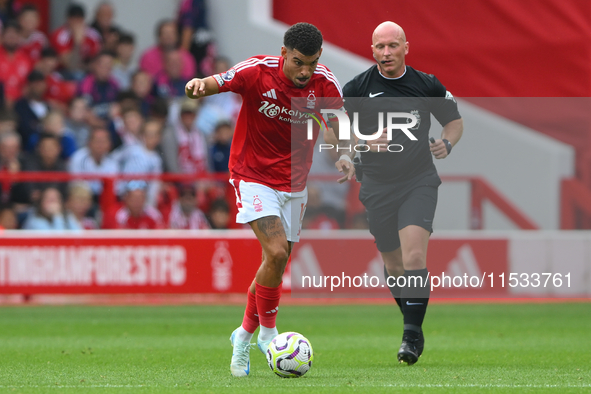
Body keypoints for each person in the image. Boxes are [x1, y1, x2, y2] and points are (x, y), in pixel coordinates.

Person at [185, 22, 346, 377]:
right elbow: (219, 81)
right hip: (252, 176)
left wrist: (346, 154)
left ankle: (243, 335)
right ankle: (269, 334)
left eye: (313, 63)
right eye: (299, 62)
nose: (306, 71)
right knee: (275, 253)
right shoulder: (258, 71)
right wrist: (199, 86)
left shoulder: (324, 83)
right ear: (284, 53)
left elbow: (338, 124)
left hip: (295, 184)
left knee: (274, 265)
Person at [334, 21, 464, 365]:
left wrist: (447, 143)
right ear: (372, 49)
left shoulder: (426, 84)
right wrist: (356, 149)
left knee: (414, 258)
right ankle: (414, 325)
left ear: (406, 46)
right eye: (380, 47)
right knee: (393, 265)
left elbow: (454, 120)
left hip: (418, 179)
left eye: (393, 45)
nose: (386, 53)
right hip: (376, 186)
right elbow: (336, 135)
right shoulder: (357, 88)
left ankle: (409, 336)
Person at [50, 3, 102, 79]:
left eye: (79, 19)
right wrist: (77, 42)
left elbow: (99, 60)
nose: (77, 22)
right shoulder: (60, 36)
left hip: (86, 70)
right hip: (62, 72)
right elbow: (71, 66)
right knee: (77, 75)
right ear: (68, 19)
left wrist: (87, 67)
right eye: (74, 19)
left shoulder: (92, 35)